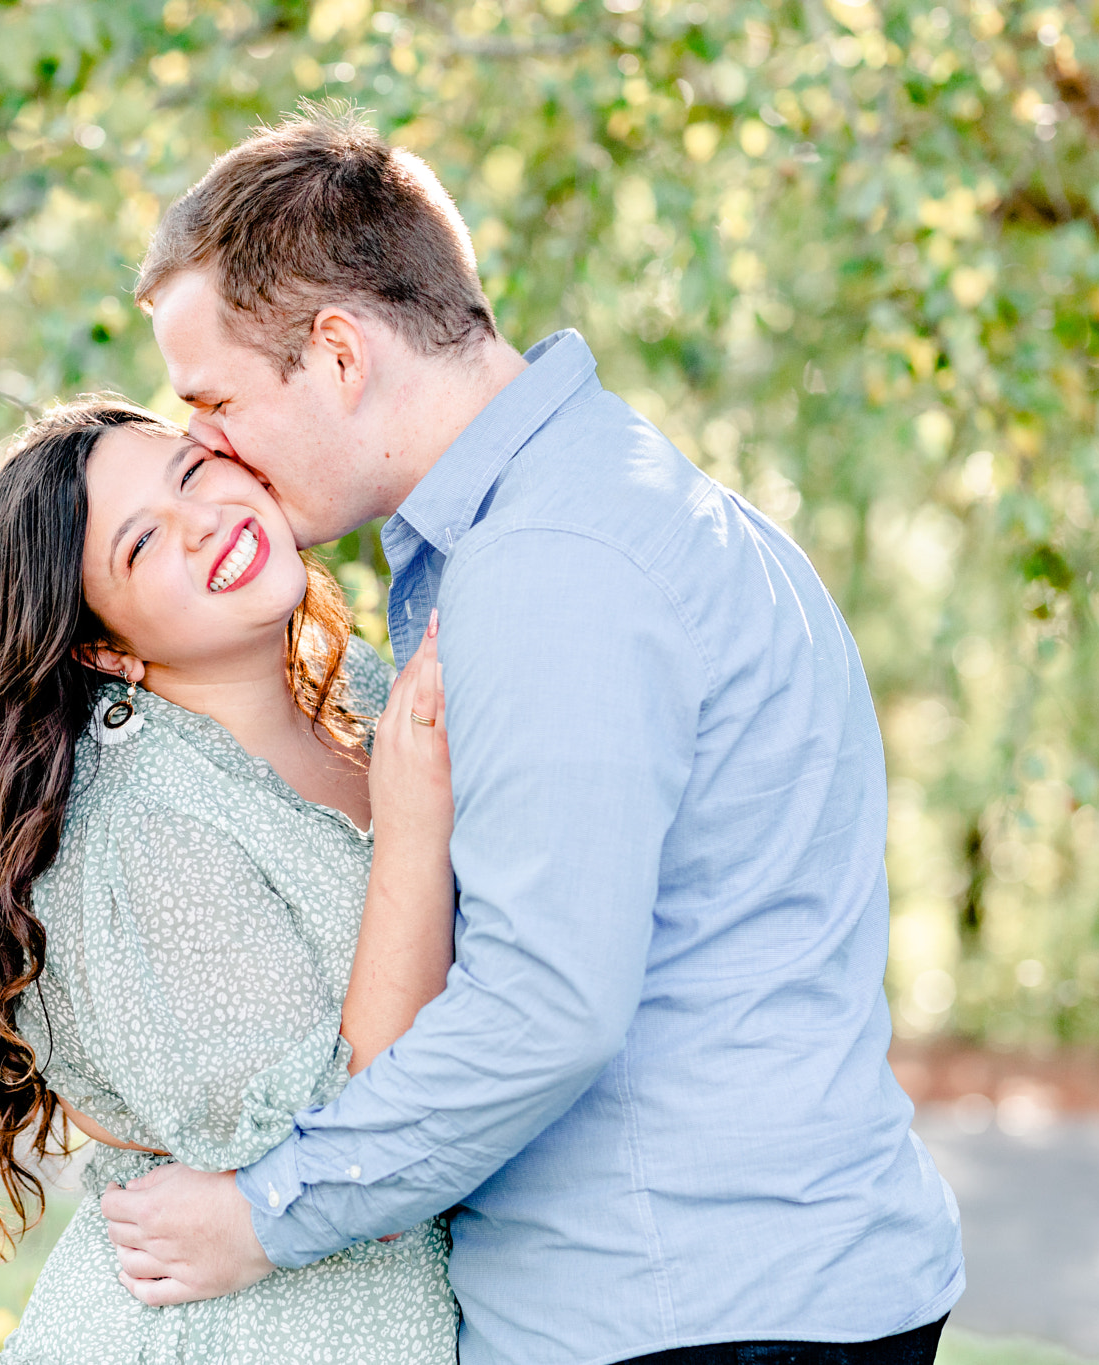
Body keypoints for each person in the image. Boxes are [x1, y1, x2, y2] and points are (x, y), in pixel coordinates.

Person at [98, 111, 966, 1365]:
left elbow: (544, 1007)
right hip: (756, 1291)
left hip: (688, 1317)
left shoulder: (550, 567)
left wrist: (260, 1217)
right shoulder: (607, 499)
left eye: (217, 402)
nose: (207, 450)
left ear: (337, 352)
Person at [0, 398, 464, 1362]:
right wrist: (415, 831)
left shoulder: (359, 695)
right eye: (143, 546)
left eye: (188, 473)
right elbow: (355, 1142)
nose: (203, 521)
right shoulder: (144, 828)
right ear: (103, 646)